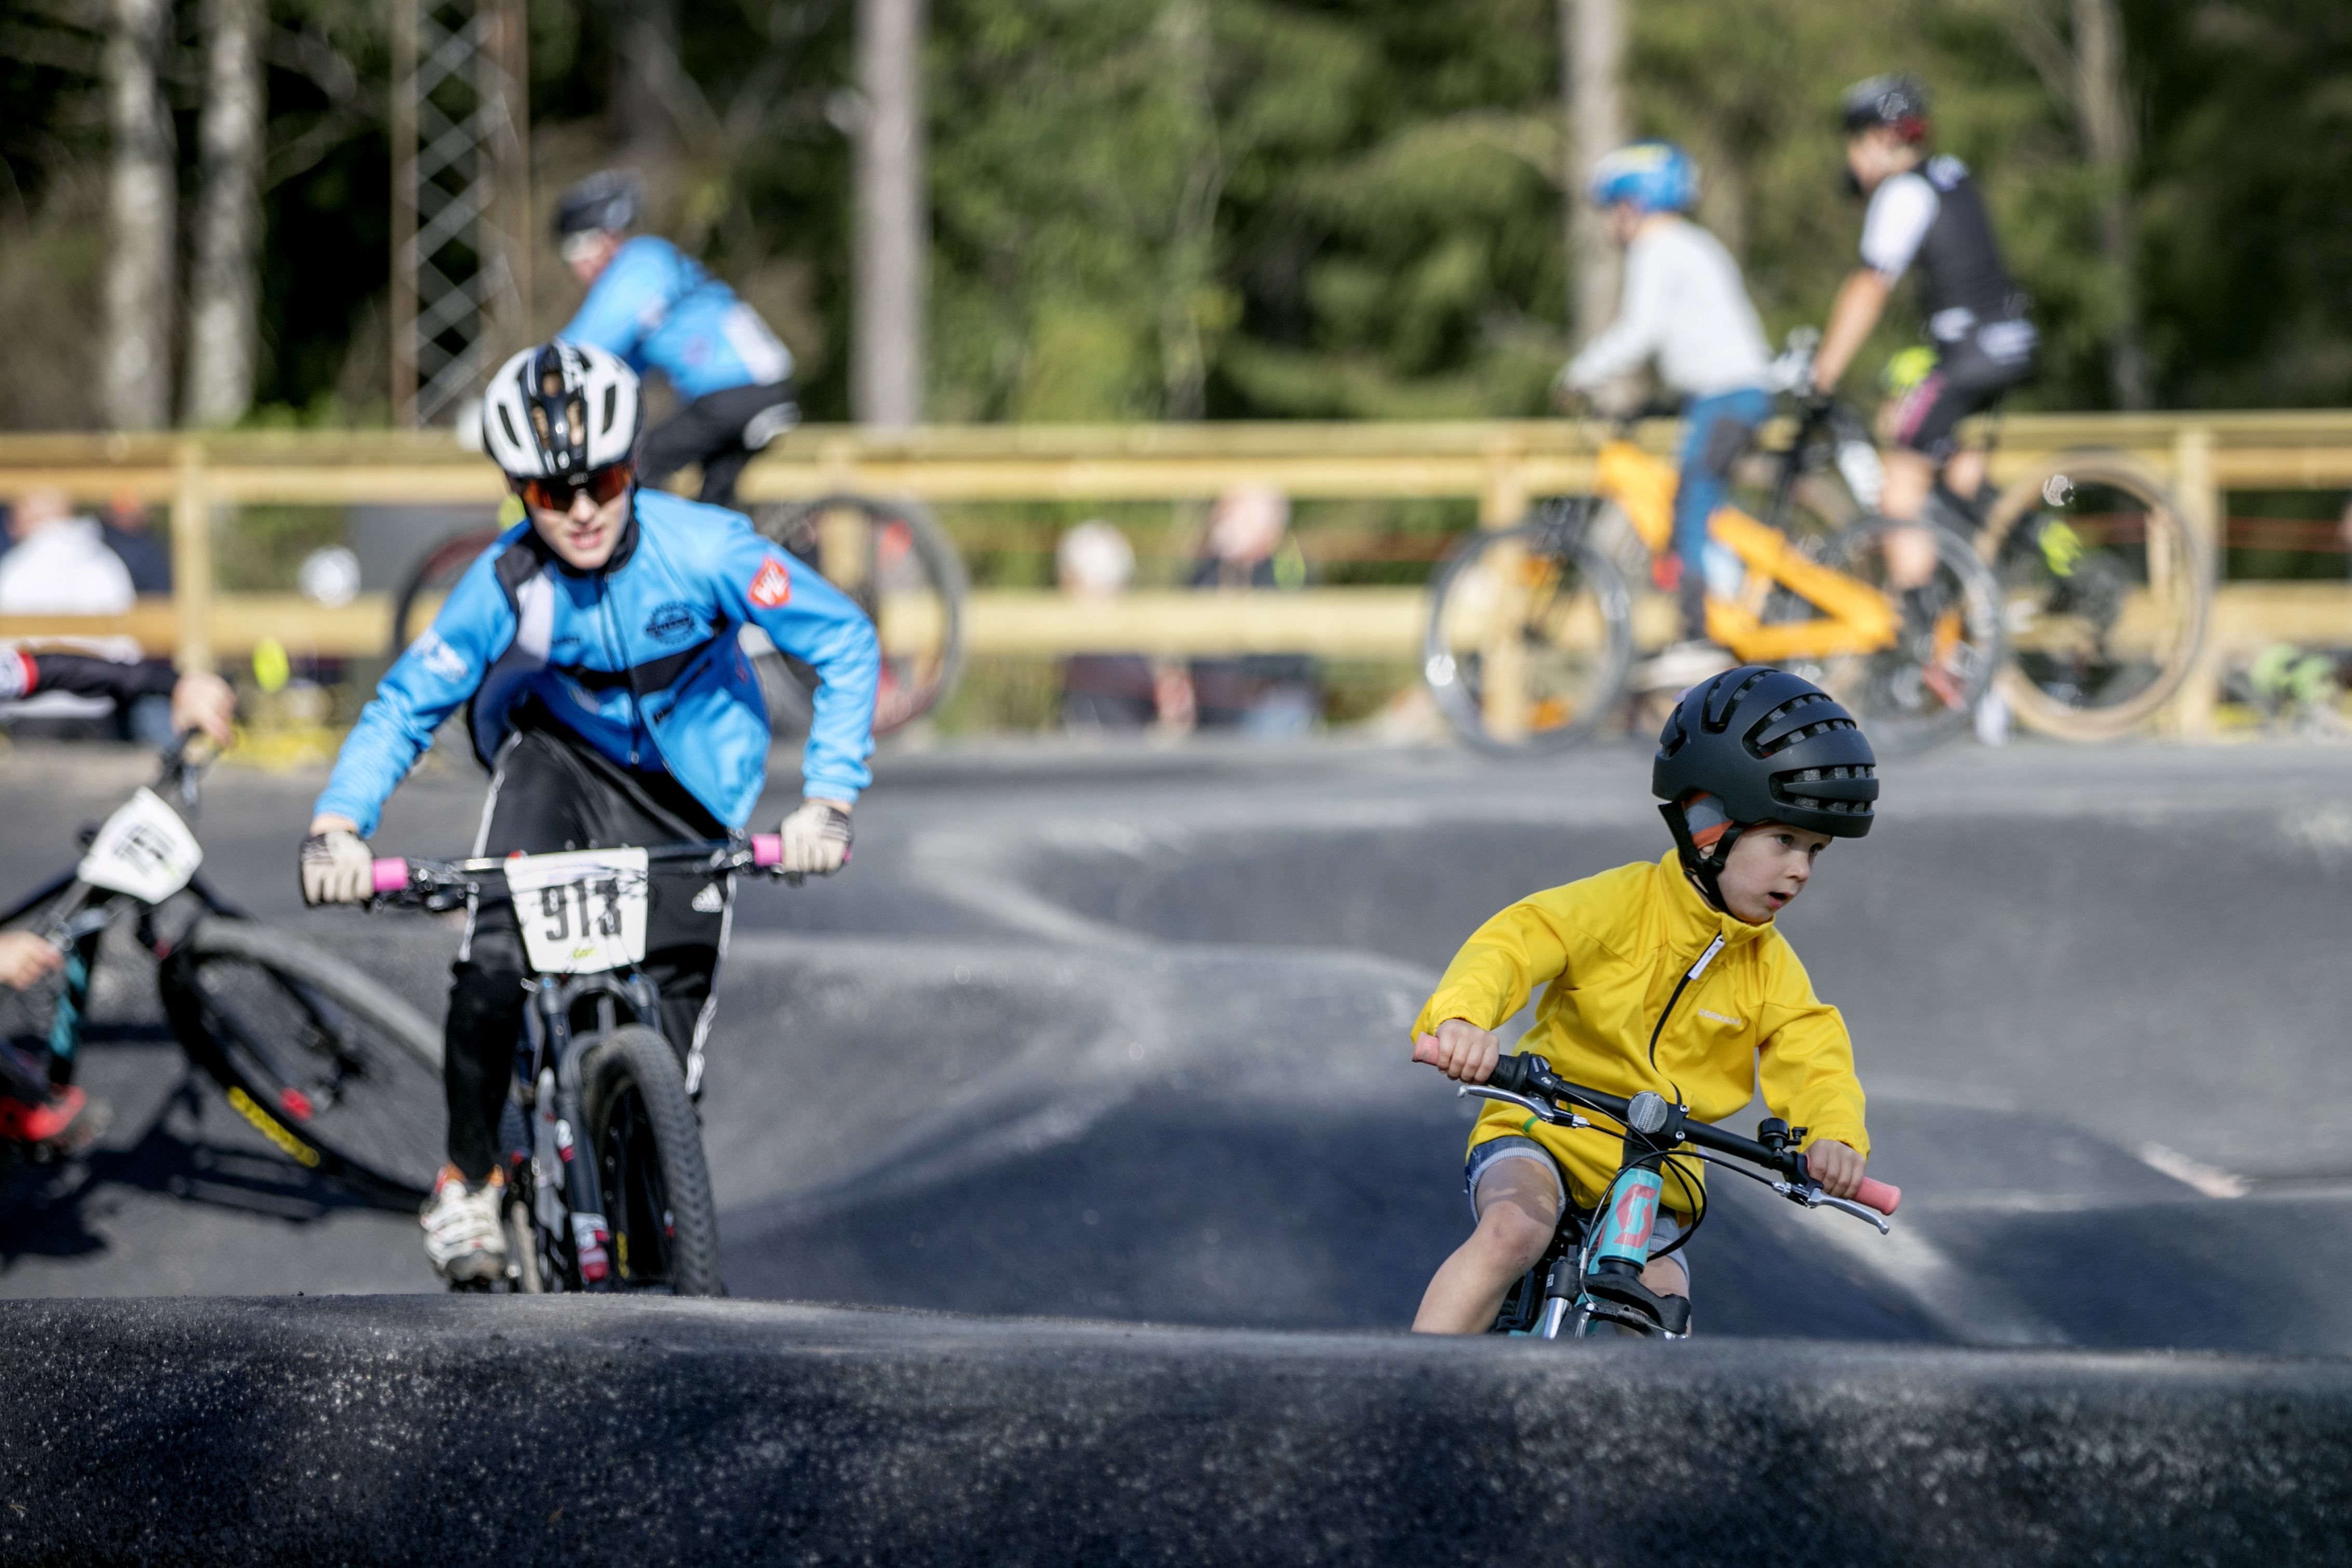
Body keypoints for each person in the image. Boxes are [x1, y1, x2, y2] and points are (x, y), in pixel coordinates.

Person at [297, 339, 880, 1285]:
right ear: (517, 492)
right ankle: (470, 1177)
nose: (578, 511)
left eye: (602, 480)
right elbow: (406, 703)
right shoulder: (503, 582)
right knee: (493, 960)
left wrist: (828, 798)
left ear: (632, 466)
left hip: (691, 793)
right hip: (558, 763)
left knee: (671, 1087)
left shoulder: (709, 550)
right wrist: (339, 825)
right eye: (547, 491)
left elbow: (845, 640)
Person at [1408, 665, 1877, 1335]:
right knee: (1513, 1232)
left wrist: (1832, 1136)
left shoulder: (1771, 970)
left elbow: (1814, 1052)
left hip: (1655, 1175)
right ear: (1710, 822)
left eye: (1814, 850)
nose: (1799, 868)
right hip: (1545, 1132)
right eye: (1783, 840)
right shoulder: (1620, 906)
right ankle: (1406, 1397)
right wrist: (1462, 1020)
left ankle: (1628, 1439)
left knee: (1658, 1306)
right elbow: (1515, 944)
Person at [1807, 74, 2037, 591]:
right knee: (1956, 476)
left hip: (1971, 350)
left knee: (1901, 484)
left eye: (1854, 142)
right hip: (2004, 342)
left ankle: (1924, 631)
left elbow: (1869, 287)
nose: (1852, 160)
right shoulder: (1951, 176)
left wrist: (1824, 373)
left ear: (1879, 138)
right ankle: (2001, 583)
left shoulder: (1903, 191)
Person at [1556, 142, 1774, 684]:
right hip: (1725, 391)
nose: (1611, 223)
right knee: (1701, 500)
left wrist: (1580, 374)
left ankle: (1699, 635)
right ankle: (1730, 608)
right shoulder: (1693, 243)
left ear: (1634, 205)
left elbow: (1640, 331)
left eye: (1614, 209)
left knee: (1691, 499)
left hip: (1725, 393)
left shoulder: (1658, 248)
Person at [552, 170, 799, 511]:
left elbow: (585, 344)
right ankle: (736, 559)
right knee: (716, 508)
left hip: (736, 391)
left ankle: (656, 553)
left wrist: (529, 383)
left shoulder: (639, 262)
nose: (573, 266)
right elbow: (620, 367)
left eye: (575, 249)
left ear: (603, 239)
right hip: (755, 387)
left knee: (640, 467)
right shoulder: (652, 265)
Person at [1185, 485, 1320, 736]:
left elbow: (1291, 651)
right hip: (1213, 710)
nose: (1220, 519)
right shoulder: (1207, 571)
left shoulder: (1287, 570)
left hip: (1270, 707)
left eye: (1231, 511)